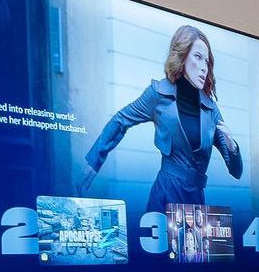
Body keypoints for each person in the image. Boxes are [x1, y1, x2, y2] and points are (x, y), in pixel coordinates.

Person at [85, 24, 245, 216]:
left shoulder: (211, 109)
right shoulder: (158, 93)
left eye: (207, 61)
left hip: (196, 203)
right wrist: (93, 162)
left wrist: (232, 147)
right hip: (165, 195)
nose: (204, 67)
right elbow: (121, 121)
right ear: (182, 55)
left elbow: (236, 172)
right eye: (198, 57)